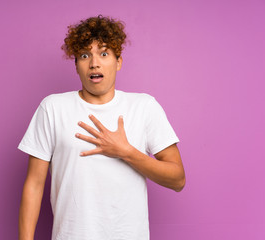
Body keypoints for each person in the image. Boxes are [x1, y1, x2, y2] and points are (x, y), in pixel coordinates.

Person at [18, 15, 185, 240]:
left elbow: (178, 180)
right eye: (85, 55)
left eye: (104, 53)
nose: (94, 63)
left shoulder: (144, 107)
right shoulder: (52, 108)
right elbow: (34, 185)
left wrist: (126, 152)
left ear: (118, 62)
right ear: (76, 65)